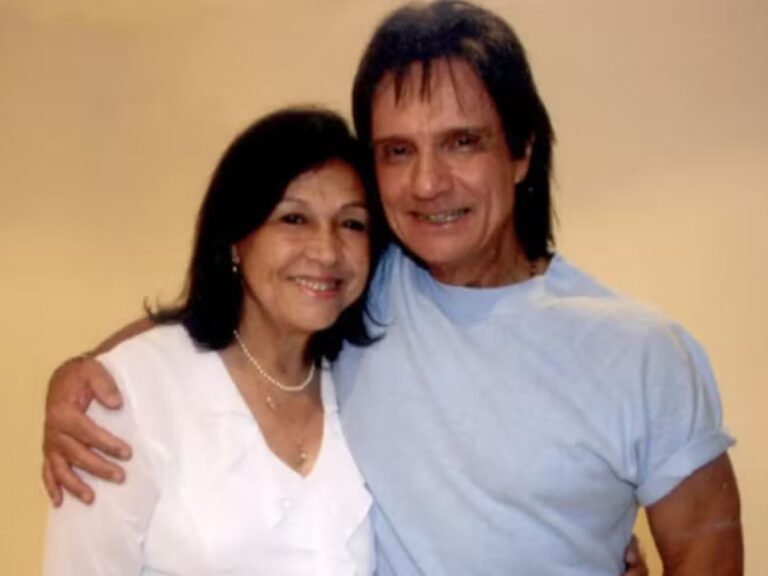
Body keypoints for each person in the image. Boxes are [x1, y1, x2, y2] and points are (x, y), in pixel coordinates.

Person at [42, 1, 741, 574]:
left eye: (462, 142)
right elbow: (228, 310)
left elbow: (708, 555)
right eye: (398, 151)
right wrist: (81, 375)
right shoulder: (361, 287)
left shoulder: (644, 354)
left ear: (522, 150)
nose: (427, 183)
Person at [43, 107, 390, 574]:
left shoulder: (361, 384)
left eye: (352, 224)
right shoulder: (129, 393)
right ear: (235, 239)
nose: (327, 251)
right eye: (293, 219)